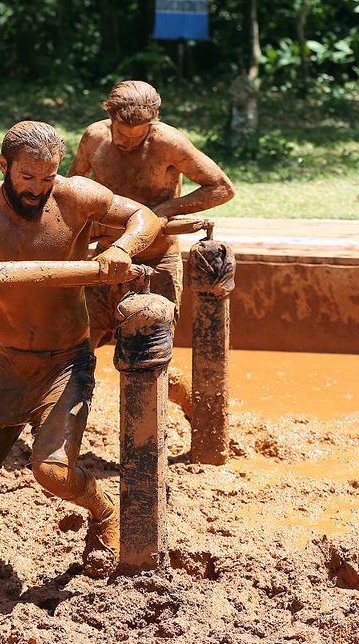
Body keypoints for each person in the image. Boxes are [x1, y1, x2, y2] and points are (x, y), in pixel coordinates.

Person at [0, 120, 162, 578]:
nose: (37, 188)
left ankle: (105, 512)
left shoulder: (75, 197)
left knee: (51, 473)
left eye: (47, 177)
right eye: (27, 177)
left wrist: (124, 249)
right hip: (9, 362)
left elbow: (145, 217)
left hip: (66, 360)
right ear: (3, 166)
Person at [68, 80, 236, 419]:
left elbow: (221, 188)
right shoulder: (94, 138)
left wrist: (163, 211)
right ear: (109, 118)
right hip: (103, 260)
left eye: (138, 136)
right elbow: (73, 186)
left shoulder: (168, 143)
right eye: (122, 134)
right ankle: (57, 437)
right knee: (72, 350)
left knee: (150, 357)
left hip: (155, 261)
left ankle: (199, 416)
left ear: (154, 123)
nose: (128, 143)